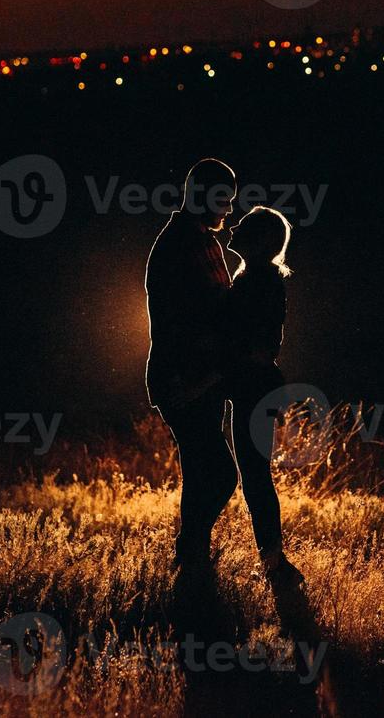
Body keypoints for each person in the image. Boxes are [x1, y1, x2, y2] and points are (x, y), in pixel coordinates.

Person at [145, 159, 238, 573]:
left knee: (203, 472)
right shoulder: (179, 245)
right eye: (222, 199)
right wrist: (195, 380)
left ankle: (193, 560)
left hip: (202, 377)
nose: (227, 209)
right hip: (185, 378)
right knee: (218, 473)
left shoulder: (204, 242)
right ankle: (190, 553)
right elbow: (177, 322)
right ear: (200, 194)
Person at [222, 206, 304, 586]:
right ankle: (274, 562)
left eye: (245, 226)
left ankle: (275, 563)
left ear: (261, 241)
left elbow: (260, 346)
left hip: (256, 388)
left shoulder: (260, 282)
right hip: (258, 388)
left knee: (255, 476)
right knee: (255, 476)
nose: (233, 227)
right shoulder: (258, 278)